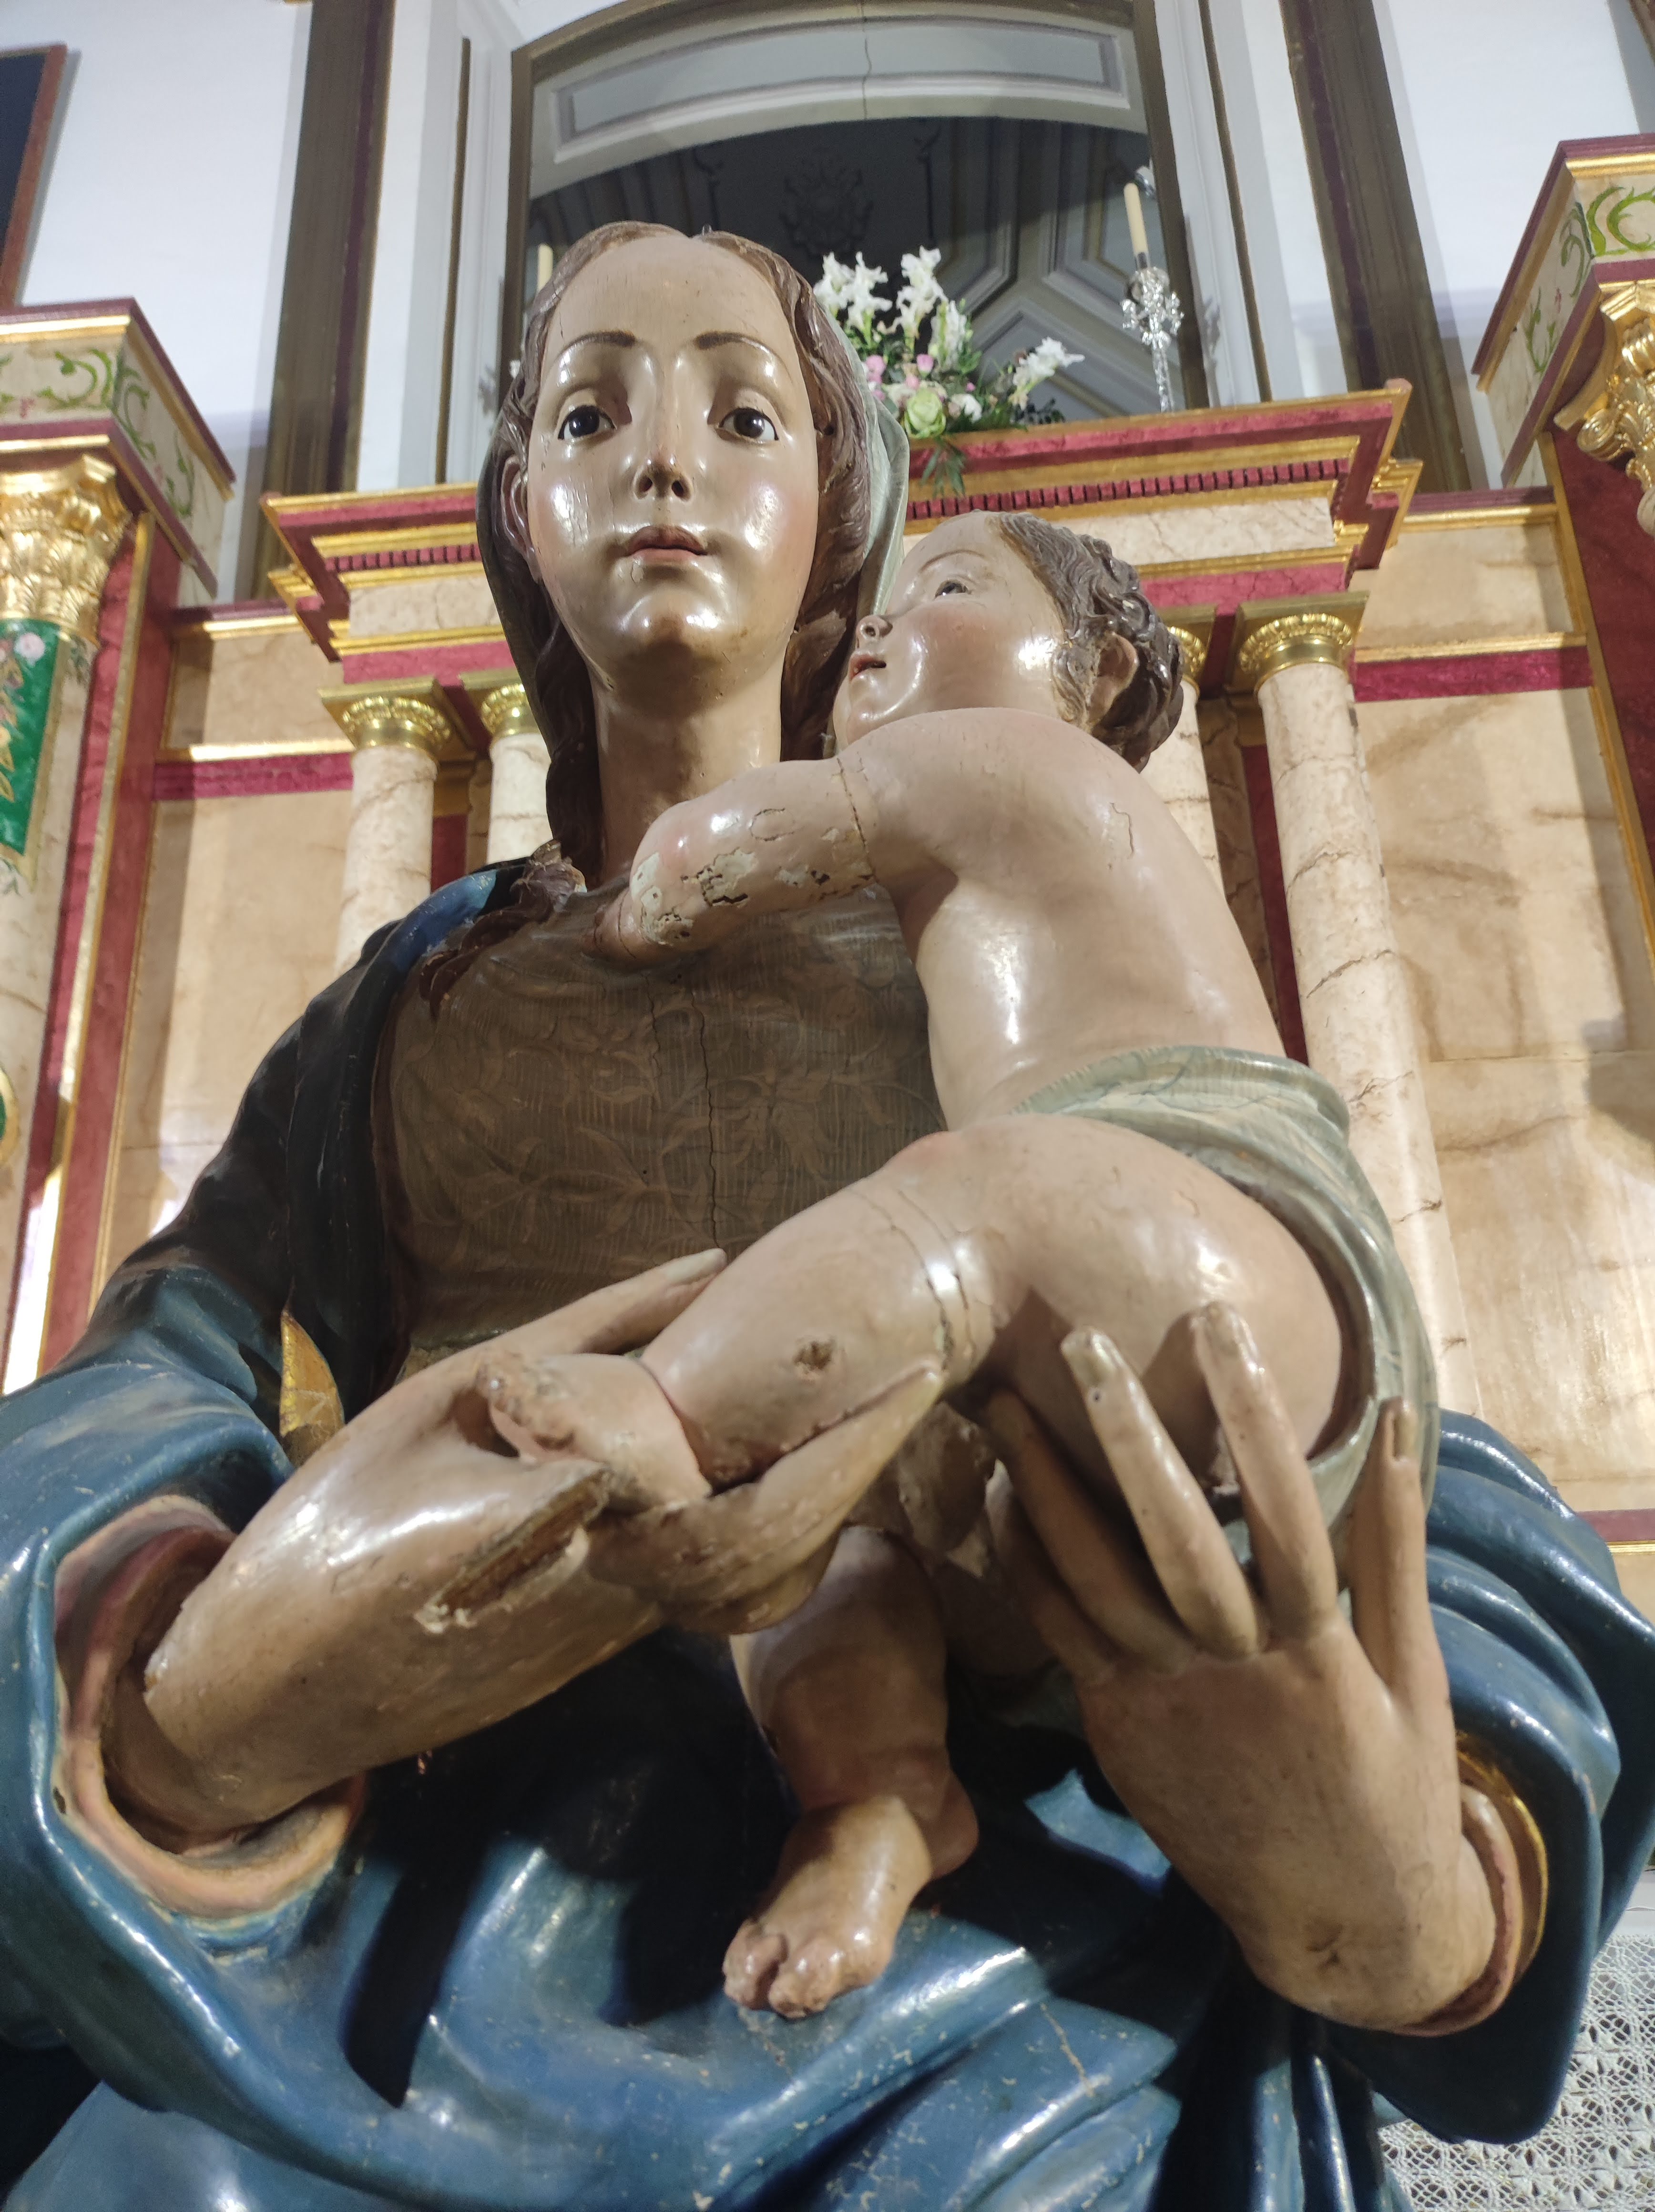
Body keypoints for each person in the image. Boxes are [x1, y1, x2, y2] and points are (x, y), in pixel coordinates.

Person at [0, 221, 1651, 2212]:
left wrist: (1402, 1879)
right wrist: (175, 1721)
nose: (662, 462)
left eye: (744, 415)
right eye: (588, 415)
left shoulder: (979, 925)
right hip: (424, 1875)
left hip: (998, 1911)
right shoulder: (404, 1006)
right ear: (520, 510)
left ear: (836, 510)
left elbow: (1301, 1360)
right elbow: (137, 1391)